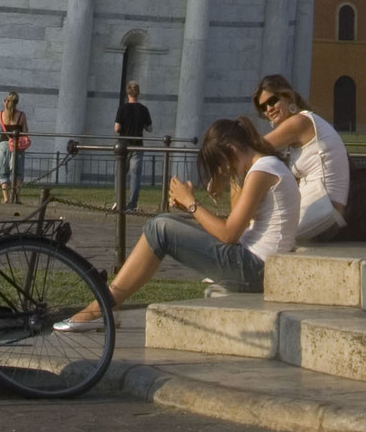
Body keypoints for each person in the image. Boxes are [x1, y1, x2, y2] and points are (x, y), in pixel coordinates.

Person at [61, 117, 299, 324]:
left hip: (255, 268)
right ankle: (104, 303)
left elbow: (229, 234)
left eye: (221, 165)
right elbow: (232, 227)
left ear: (233, 151)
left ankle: (100, 307)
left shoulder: (262, 171)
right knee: (163, 222)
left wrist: (191, 203)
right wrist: (192, 203)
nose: (224, 172)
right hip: (253, 263)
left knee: (160, 228)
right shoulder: (267, 166)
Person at [253, 74, 349, 242]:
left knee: (255, 235)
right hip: (321, 208)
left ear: (288, 96)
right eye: (263, 107)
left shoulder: (300, 122)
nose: (269, 109)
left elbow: (251, 149)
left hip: (325, 211)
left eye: (273, 100)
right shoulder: (302, 127)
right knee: (253, 227)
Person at [112, 81, 152, 212]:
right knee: (135, 176)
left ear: (127, 93)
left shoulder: (122, 108)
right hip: (137, 145)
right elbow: (150, 128)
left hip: (123, 147)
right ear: (138, 93)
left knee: (120, 174)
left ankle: (119, 201)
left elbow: (117, 128)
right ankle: (132, 204)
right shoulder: (144, 109)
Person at [0, 93, 29, 206]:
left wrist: (5, 106)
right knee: (18, 172)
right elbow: (25, 131)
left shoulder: (1, 114)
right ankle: (16, 197)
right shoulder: (21, 115)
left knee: (4, 172)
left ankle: (6, 198)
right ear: (17, 102)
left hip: (3, 144)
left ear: (6, 101)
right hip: (17, 145)